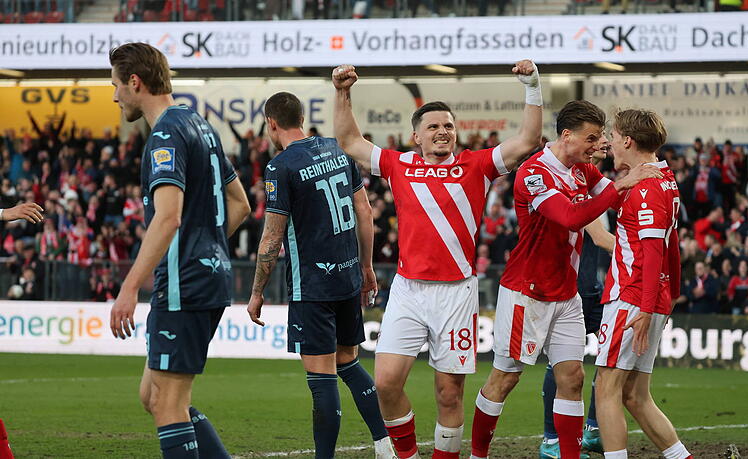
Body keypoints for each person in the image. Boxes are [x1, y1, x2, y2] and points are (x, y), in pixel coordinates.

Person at [332, 59, 544, 458]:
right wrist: (343, 92)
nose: (442, 131)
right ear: (417, 136)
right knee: (386, 384)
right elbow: (348, 140)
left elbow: (528, 139)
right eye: (433, 126)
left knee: (449, 393)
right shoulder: (399, 164)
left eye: (448, 125)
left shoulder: (477, 165)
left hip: (456, 294)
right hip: (408, 291)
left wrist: (532, 86)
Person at [468, 101, 660, 459]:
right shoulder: (533, 173)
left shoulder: (582, 170)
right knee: (504, 379)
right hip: (527, 293)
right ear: (567, 135)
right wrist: (622, 184)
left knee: (572, 378)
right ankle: (478, 454)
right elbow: (571, 217)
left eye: (600, 137)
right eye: (592, 138)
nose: (598, 145)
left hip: (566, 295)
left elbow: (617, 199)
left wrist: (652, 191)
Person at [107, 42, 251, 459]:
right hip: (207, 275)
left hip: (183, 283)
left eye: (116, 85)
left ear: (135, 82)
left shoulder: (165, 135)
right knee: (153, 395)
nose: (114, 96)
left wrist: (129, 287)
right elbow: (239, 203)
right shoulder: (198, 124)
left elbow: (168, 217)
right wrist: (207, 248)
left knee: (168, 403)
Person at [246, 92, 396, 459]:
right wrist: (366, 267)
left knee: (321, 378)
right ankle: (385, 446)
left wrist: (257, 292)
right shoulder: (336, 149)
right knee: (348, 362)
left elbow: (272, 237)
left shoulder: (280, 167)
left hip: (312, 286)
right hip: (347, 278)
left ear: (271, 124)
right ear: (301, 118)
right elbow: (364, 211)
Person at [595, 109, 692, 459]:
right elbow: (671, 245)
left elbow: (653, 252)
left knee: (606, 388)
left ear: (628, 141)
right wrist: (671, 293)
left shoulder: (647, 188)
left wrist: (648, 308)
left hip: (632, 298)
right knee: (635, 395)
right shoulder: (664, 180)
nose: (609, 144)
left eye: (612, 136)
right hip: (651, 298)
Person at [538, 138, 616, 459]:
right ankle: (552, 439)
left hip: (591, 287)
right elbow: (599, 237)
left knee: (612, 354)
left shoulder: (593, 184)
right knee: (563, 363)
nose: (603, 142)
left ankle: (593, 429)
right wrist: (640, 254)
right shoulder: (574, 188)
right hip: (574, 288)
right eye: (595, 137)